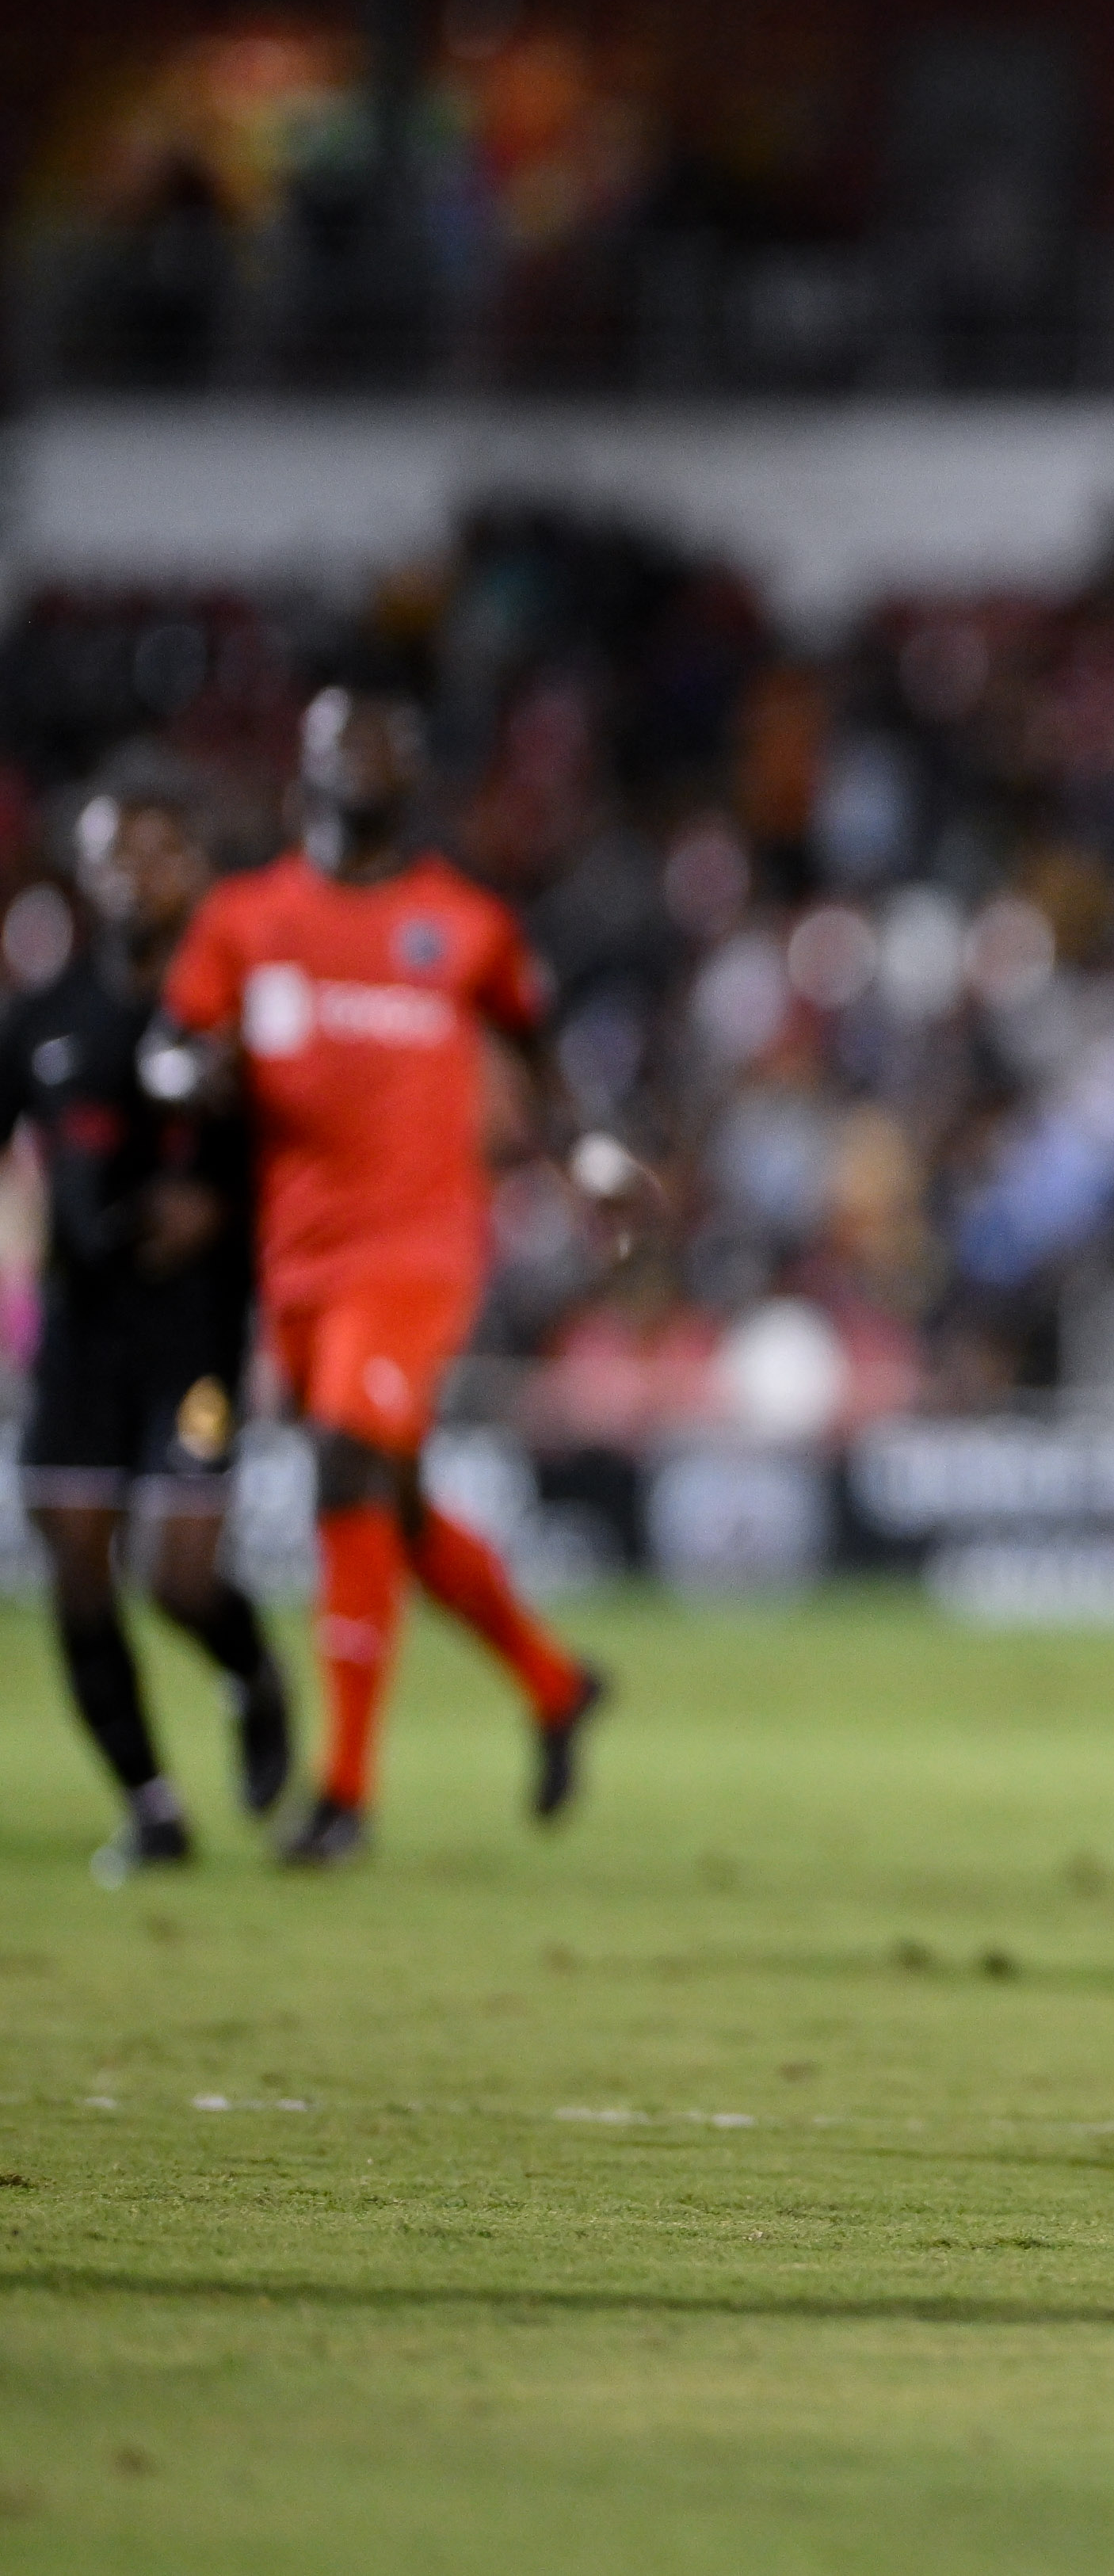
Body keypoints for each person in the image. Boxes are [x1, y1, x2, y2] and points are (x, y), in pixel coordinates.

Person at [156, 687, 637, 1868]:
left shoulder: (463, 924)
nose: (362, 761)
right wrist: (182, 1077)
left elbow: (536, 1053)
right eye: (342, 741)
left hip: (418, 1249)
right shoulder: (244, 917)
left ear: (408, 776)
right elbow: (176, 1039)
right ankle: (555, 1680)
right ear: (305, 768)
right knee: (392, 1504)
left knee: (344, 1462)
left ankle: (347, 1796)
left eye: (385, 744)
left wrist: (585, 1154)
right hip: (297, 1254)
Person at [6, 780, 293, 1882]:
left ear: (192, 870)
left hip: (194, 1337)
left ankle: (251, 1671)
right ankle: (152, 1806)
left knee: (178, 1576)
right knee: (77, 1565)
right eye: (112, 853)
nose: (136, 872)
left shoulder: (242, 1015)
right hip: (80, 1334)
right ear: (84, 875)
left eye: (158, 851)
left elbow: (303, 1146)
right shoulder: (44, 1018)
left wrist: (230, 1204)